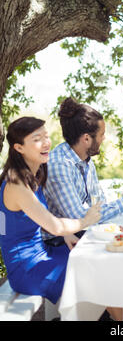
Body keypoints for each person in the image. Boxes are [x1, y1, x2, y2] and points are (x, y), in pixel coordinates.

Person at [0, 116, 100, 305]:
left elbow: (32, 221)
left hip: (43, 253)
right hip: (28, 269)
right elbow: (55, 225)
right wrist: (85, 221)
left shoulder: (32, 175)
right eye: (37, 139)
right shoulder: (16, 183)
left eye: (46, 136)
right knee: (93, 270)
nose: (46, 143)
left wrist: (65, 236)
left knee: (96, 258)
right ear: (18, 148)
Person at [44, 97, 123, 239]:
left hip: (83, 234)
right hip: (60, 241)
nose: (104, 139)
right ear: (86, 139)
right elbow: (80, 219)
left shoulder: (86, 161)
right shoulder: (59, 165)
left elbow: (98, 205)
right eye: (101, 134)